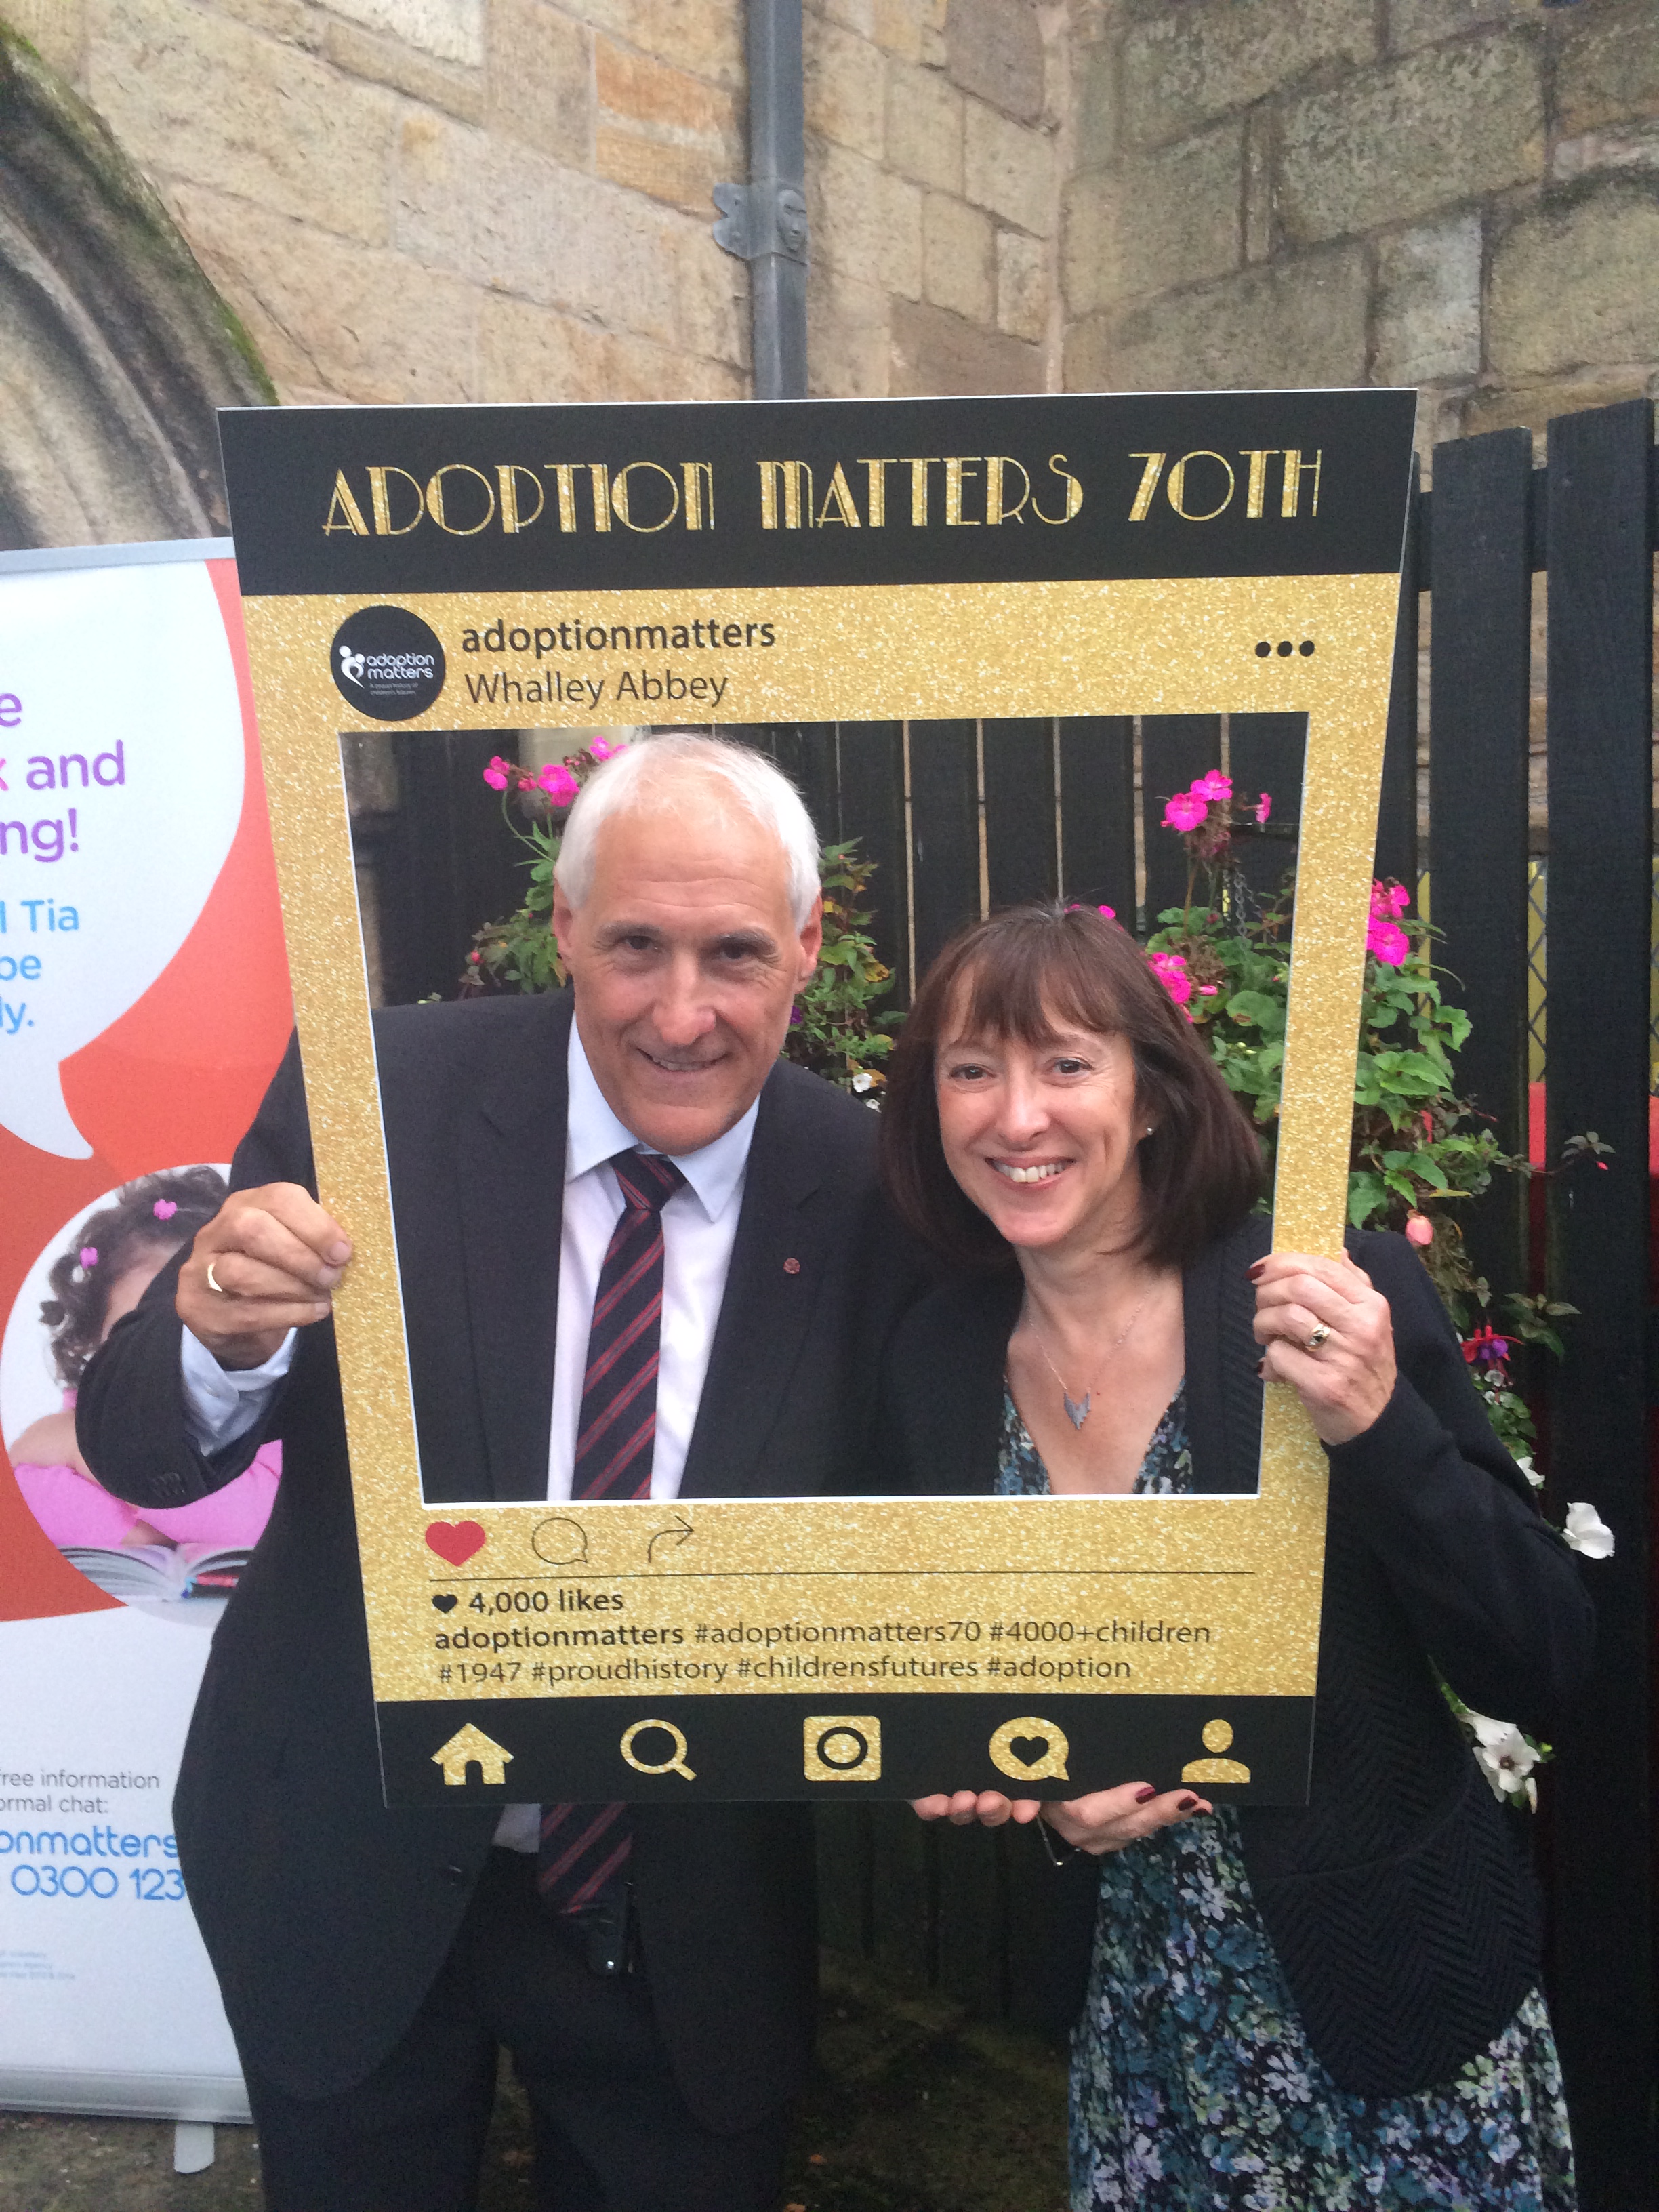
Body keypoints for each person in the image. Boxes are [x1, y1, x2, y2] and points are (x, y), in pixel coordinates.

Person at [78, 735, 928, 2212]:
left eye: (734, 953)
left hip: (682, 1899)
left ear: (805, 946)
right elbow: (140, 1445)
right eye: (636, 946)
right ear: (566, 930)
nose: (682, 1012)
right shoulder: (376, 1100)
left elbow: (945, 1505)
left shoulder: (876, 1188)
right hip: (347, 1842)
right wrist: (215, 1328)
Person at [876, 902, 1593, 2212]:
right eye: (971, 1068)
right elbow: (955, 1673)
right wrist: (1036, 1790)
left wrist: (1376, 1421)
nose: (1015, 1114)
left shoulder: (1322, 1298)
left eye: (1065, 1062)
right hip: (1142, 2023)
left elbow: (1540, 1652)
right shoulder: (936, 1357)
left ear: (1151, 1094)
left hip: (1390, 2012)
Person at [7, 1167, 279, 1557]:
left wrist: (84, 1452)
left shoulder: (271, 1420)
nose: (166, 1360)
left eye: (200, 1333)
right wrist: (137, 1535)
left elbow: (254, 1521)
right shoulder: (80, 1417)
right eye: (136, 1334)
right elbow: (25, 1498)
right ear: (93, 1338)